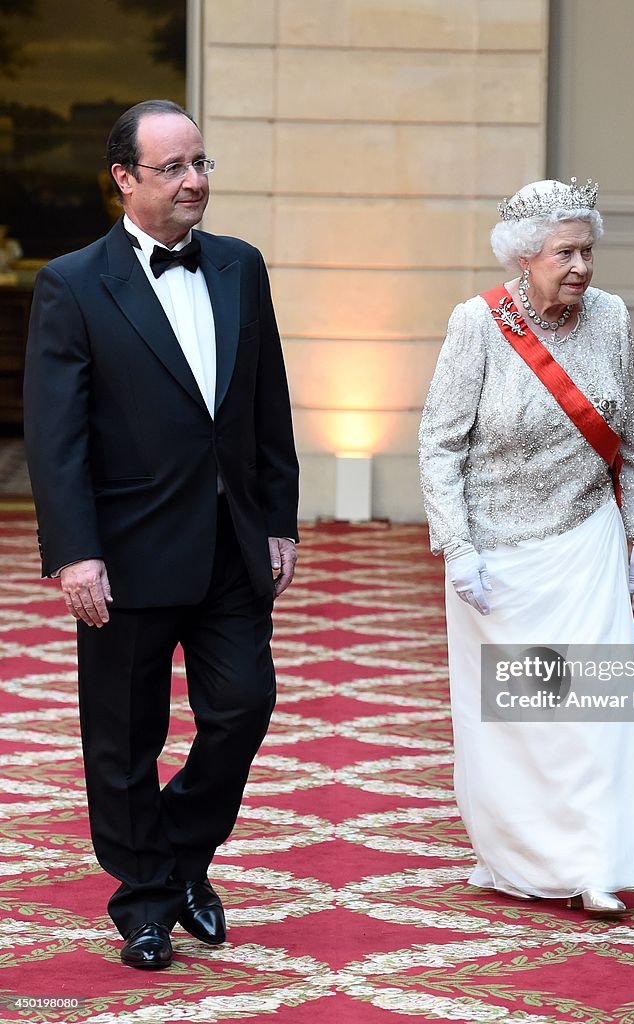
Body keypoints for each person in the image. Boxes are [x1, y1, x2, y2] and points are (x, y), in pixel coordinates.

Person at [23, 100, 299, 968]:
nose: (194, 182)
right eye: (173, 168)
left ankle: (178, 856)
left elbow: (266, 404)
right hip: (126, 549)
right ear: (124, 180)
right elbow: (55, 432)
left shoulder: (241, 267)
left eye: (202, 164)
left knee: (244, 706)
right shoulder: (72, 282)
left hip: (229, 542)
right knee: (123, 737)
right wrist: (73, 551)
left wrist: (279, 518)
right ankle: (143, 900)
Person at [419, 179, 634, 915]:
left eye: (587, 249)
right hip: (499, 556)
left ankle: (595, 863)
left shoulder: (612, 317)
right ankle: (516, 856)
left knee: (593, 711)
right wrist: (458, 547)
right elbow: (438, 445)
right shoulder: (477, 324)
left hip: (587, 539)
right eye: (565, 252)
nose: (581, 265)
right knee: (517, 718)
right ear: (525, 258)